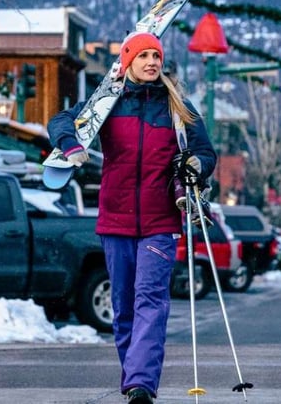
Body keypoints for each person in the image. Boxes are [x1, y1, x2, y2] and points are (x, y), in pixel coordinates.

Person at [48, 32, 216, 404]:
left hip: (161, 222)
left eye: (156, 56)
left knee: (151, 300)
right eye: (143, 56)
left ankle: (141, 385)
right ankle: (134, 378)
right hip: (115, 219)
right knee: (123, 306)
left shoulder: (177, 108)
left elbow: (206, 152)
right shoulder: (107, 104)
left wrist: (196, 164)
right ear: (128, 62)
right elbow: (61, 120)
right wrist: (71, 145)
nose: (152, 62)